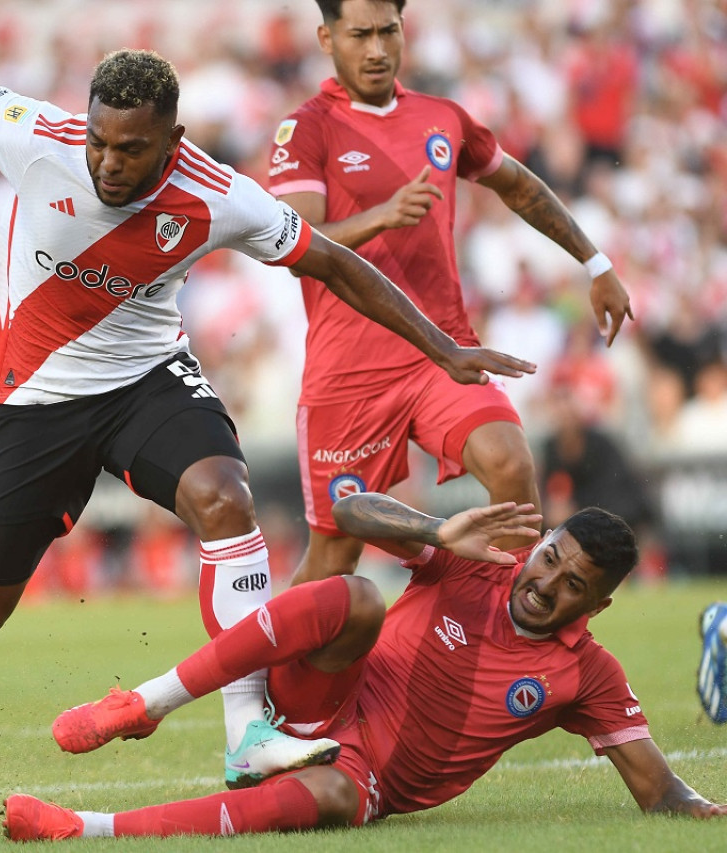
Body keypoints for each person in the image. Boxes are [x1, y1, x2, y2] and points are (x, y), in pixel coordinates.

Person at [0, 0, 532, 787]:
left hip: (143, 380)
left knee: (225, 497)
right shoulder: (33, 137)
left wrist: (444, 347)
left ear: (174, 142)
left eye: (132, 149)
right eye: (99, 143)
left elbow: (333, 262)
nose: (110, 164)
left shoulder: (218, 193)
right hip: (32, 402)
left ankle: (246, 731)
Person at [5, 493, 727, 840]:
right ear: (538, 543)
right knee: (355, 596)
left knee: (329, 801)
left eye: (575, 584)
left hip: (369, 776)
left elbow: (657, 788)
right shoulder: (475, 559)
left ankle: (84, 827)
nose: (546, 583)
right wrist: (435, 529)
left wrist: (708, 810)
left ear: (596, 606)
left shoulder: (588, 673)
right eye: (550, 558)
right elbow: (350, 513)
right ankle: (146, 703)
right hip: (319, 698)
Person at [268, 0, 634, 585]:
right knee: (337, 555)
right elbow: (297, 245)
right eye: (360, 34)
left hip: (445, 352)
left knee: (512, 470)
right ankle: (270, 676)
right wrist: (382, 216)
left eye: (389, 31)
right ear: (325, 36)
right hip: (350, 371)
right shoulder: (306, 128)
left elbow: (518, 185)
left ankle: (505, 649)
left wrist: (596, 262)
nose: (377, 49)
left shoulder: (443, 117)